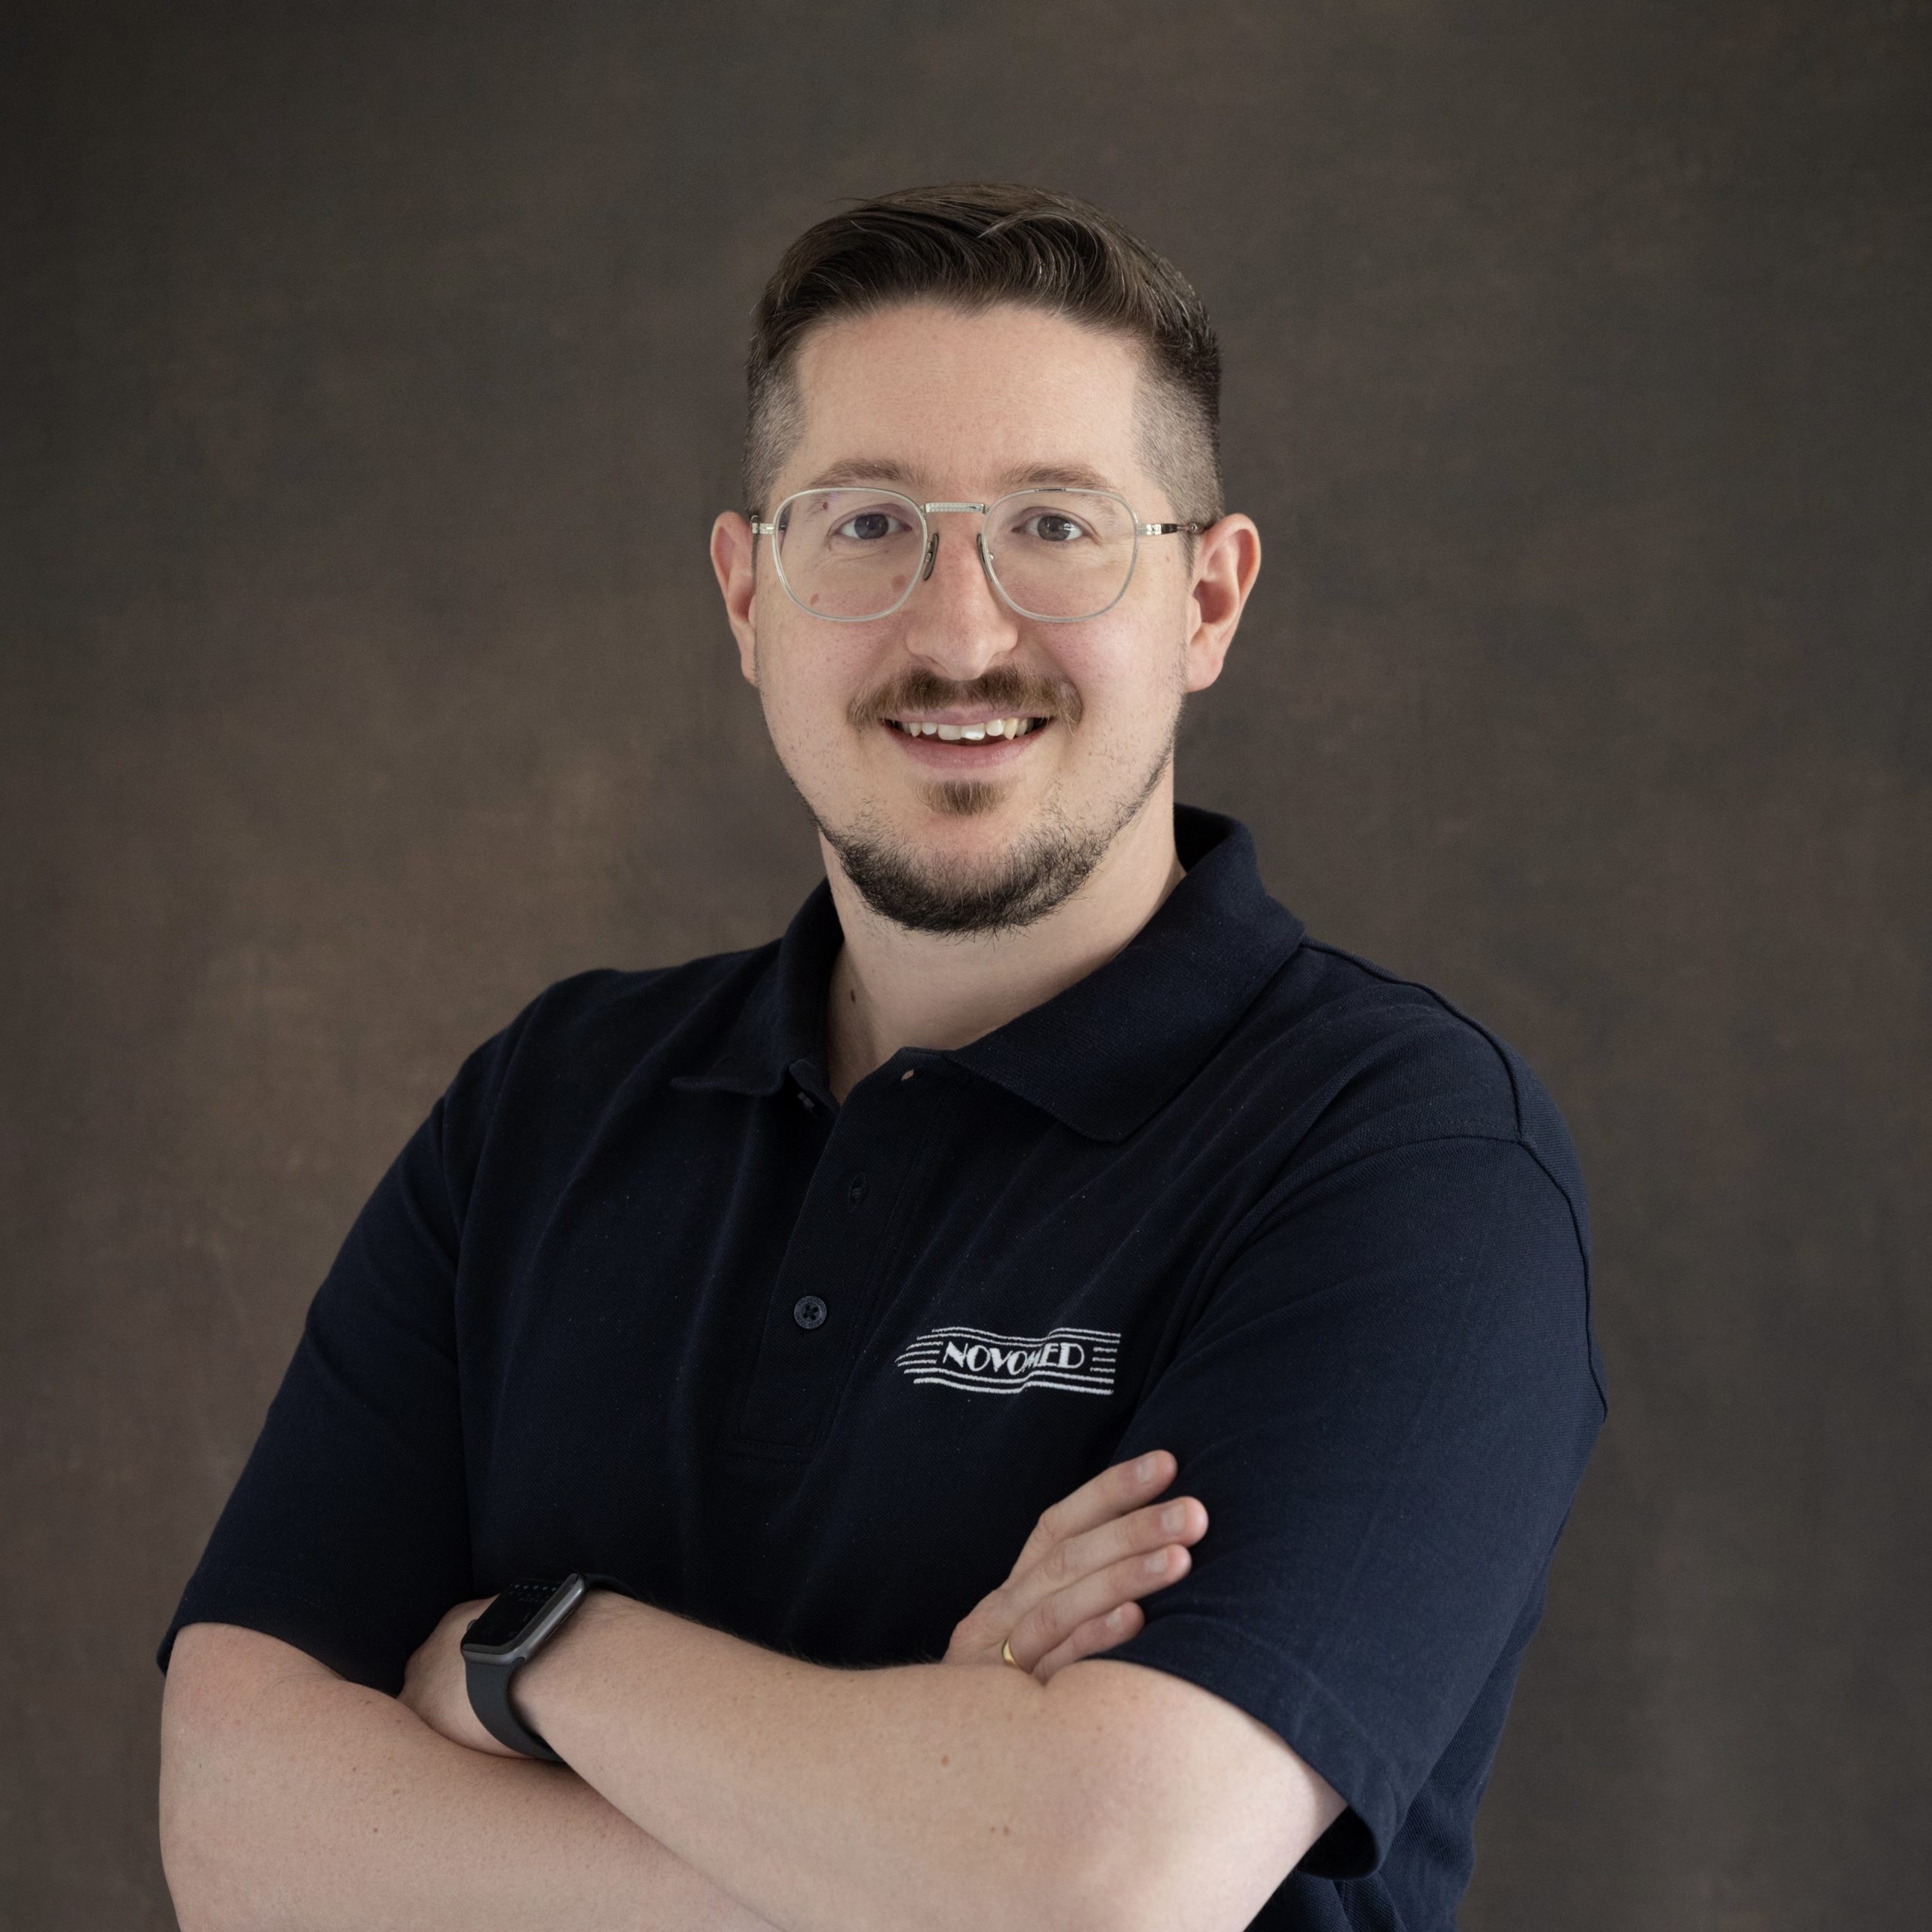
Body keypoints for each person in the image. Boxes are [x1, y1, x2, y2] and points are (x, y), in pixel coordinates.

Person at [156, 183, 1606, 1932]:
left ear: (1206, 598)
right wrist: (925, 1849)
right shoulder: (546, 1104)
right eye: (865, 526)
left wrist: (529, 1655)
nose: (959, 633)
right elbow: (234, 1828)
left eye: (1055, 525)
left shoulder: (1406, 1158)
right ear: (745, 594)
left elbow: (1106, 1881)